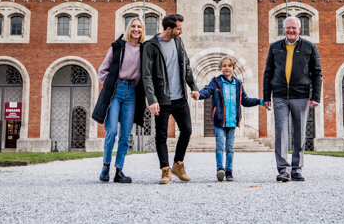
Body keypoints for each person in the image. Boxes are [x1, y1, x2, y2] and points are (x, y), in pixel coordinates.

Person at [141, 13, 200, 184]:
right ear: (169, 29)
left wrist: (193, 87)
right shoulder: (150, 46)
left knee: (187, 130)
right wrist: (152, 99)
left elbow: (186, 66)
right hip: (162, 99)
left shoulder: (178, 42)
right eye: (179, 29)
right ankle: (165, 170)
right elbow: (146, 76)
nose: (181, 32)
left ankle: (178, 164)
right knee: (161, 135)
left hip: (180, 97)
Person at [263, 15, 322, 182]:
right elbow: (268, 73)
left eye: (294, 28)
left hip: (301, 96)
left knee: (299, 133)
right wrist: (266, 96)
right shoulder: (275, 47)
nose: (291, 30)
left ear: (299, 29)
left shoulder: (310, 47)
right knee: (281, 132)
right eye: (288, 28)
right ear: (284, 29)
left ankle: (296, 169)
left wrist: (315, 96)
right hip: (280, 96)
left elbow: (317, 73)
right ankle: (283, 169)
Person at [91, 17, 147, 183]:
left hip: (132, 93)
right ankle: (106, 166)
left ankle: (119, 171)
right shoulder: (117, 46)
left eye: (139, 27)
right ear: (129, 28)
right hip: (116, 90)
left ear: (142, 30)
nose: (136, 29)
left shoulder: (144, 49)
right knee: (112, 131)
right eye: (133, 26)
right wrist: (110, 85)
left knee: (125, 135)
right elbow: (102, 70)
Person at [197, 56, 264, 182]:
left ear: (233, 68)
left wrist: (260, 101)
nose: (227, 68)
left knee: (230, 148)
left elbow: (245, 100)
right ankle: (220, 169)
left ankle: (229, 171)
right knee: (220, 146)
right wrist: (199, 94)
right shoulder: (216, 81)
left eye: (229, 65)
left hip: (232, 121)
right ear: (220, 68)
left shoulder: (238, 84)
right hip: (219, 121)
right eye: (224, 66)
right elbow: (207, 91)